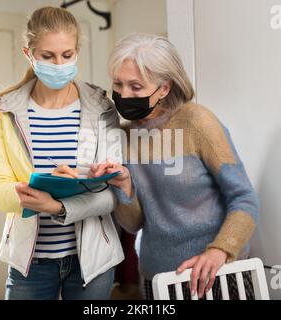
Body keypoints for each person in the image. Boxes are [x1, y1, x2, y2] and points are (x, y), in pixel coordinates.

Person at [89, 33, 259, 300]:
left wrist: (220, 251)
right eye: (118, 84)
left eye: (135, 86)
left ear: (164, 89)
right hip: (159, 280)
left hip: (218, 275)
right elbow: (134, 225)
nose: (123, 95)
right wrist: (124, 187)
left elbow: (245, 199)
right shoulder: (123, 137)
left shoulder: (197, 122)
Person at [0, 6, 124, 300]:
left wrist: (58, 207)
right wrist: (40, 186)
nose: (59, 64)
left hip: (93, 261)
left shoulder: (103, 108)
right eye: (47, 56)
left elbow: (112, 195)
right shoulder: (4, 111)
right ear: (29, 54)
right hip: (30, 263)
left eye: (67, 55)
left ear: (77, 52)